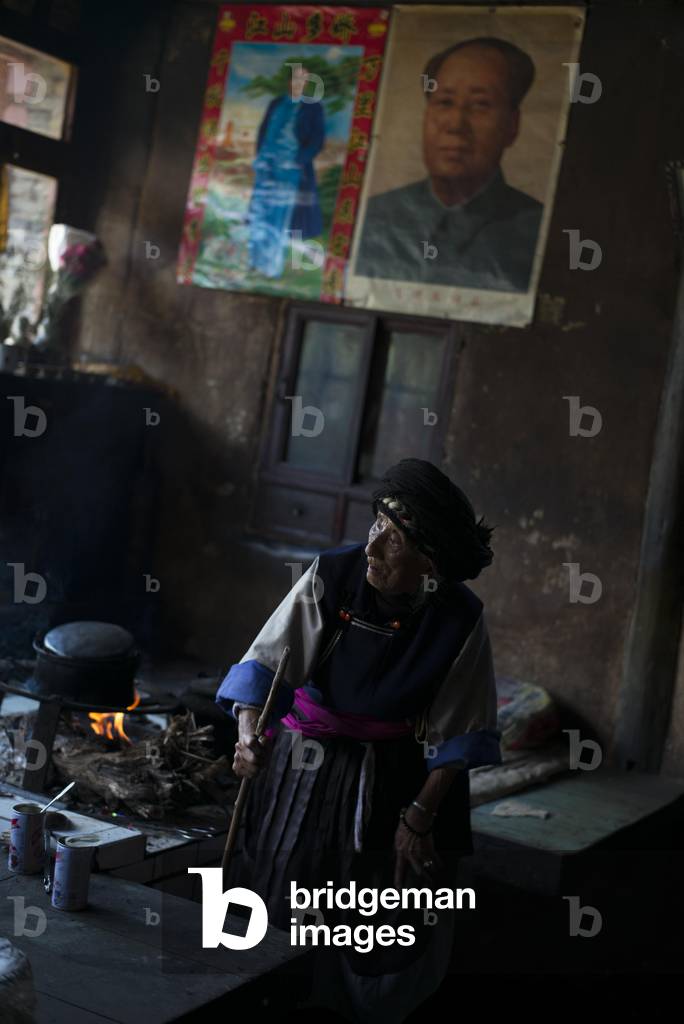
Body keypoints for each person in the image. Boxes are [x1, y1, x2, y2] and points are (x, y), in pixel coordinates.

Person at [216, 458, 501, 1022]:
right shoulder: (333, 575)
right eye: (375, 526)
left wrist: (419, 816)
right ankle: (269, 993)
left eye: (393, 540)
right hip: (304, 760)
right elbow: (265, 666)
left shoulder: (458, 617)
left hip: (390, 770)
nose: (372, 548)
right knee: (282, 878)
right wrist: (249, 736)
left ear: (431, 562)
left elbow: (461, 730)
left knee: (374, 905)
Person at [355, 37, 543, 293]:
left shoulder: (538, 233)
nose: (455, 124)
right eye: (444, 102)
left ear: (512, 125)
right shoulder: (372, 218)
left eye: (480, 105)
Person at [246, 63, 325, 278]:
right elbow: (264, 132)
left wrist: (299, 160)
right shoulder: (276, 104)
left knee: (279, 219)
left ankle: (270, 267)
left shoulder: (313, 107)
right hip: (267, 169)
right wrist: (260, 158)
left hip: (290, 171)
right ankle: (254, 261)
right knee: (260, 216)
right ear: (289, 82)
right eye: (296, 79)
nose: (299, 83)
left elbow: (317, 140)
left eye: (304, 80)